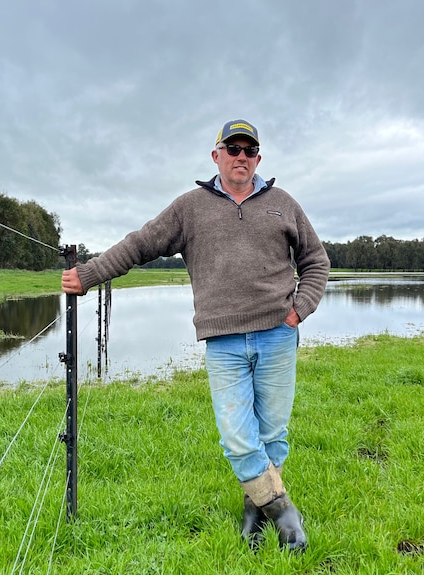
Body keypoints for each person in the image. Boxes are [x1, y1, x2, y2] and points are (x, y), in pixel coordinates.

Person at [61, 119, 329, 552]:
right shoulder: (190, 208)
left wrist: (299, 310)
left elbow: (317, 262)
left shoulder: (284, 204)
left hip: (278, 335)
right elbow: (139, 244)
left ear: (258, 159)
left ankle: (253, 510)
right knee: (238, 438)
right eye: (233, 148)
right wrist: (89, 274)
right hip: (222, 340)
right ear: (216, 155)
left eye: (249, 150)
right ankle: (284, 514)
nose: (241, 157)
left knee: (272, 434)